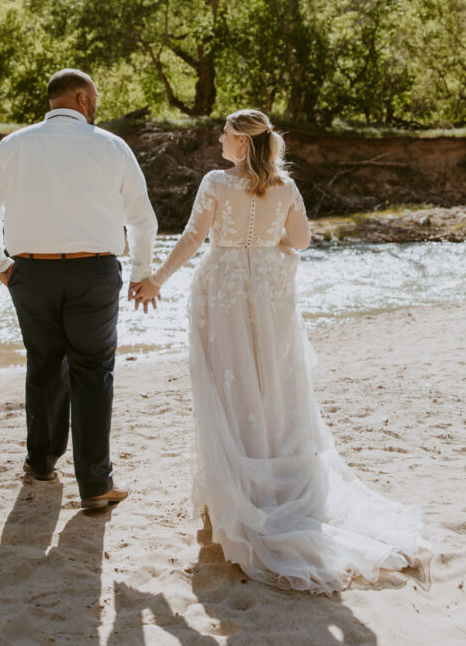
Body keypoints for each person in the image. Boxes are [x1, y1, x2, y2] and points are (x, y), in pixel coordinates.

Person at [133, 109, 430, 593]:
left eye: (226, 134)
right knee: (271, 382)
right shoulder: (286, 187)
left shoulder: (215, 182)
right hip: (268, 294)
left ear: (244, 144)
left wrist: (156, 281)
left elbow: (192, 238)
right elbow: (301, 241)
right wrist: (268, 248)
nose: (220, 140)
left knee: (226, 384)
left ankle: (237, 488)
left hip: (223, 288)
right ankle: (271, 478)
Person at [0, 68, 157, 510]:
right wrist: (140, 272)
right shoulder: (112, 147)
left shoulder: (13, 145)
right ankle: (95, 484)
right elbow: (142, 218)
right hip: (94, 274)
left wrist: (0, 264)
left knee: (43, 364)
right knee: (93, 372)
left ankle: (41, 462)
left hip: (31, 274)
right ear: (79, 97)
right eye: (94, 97)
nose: (97, 104)